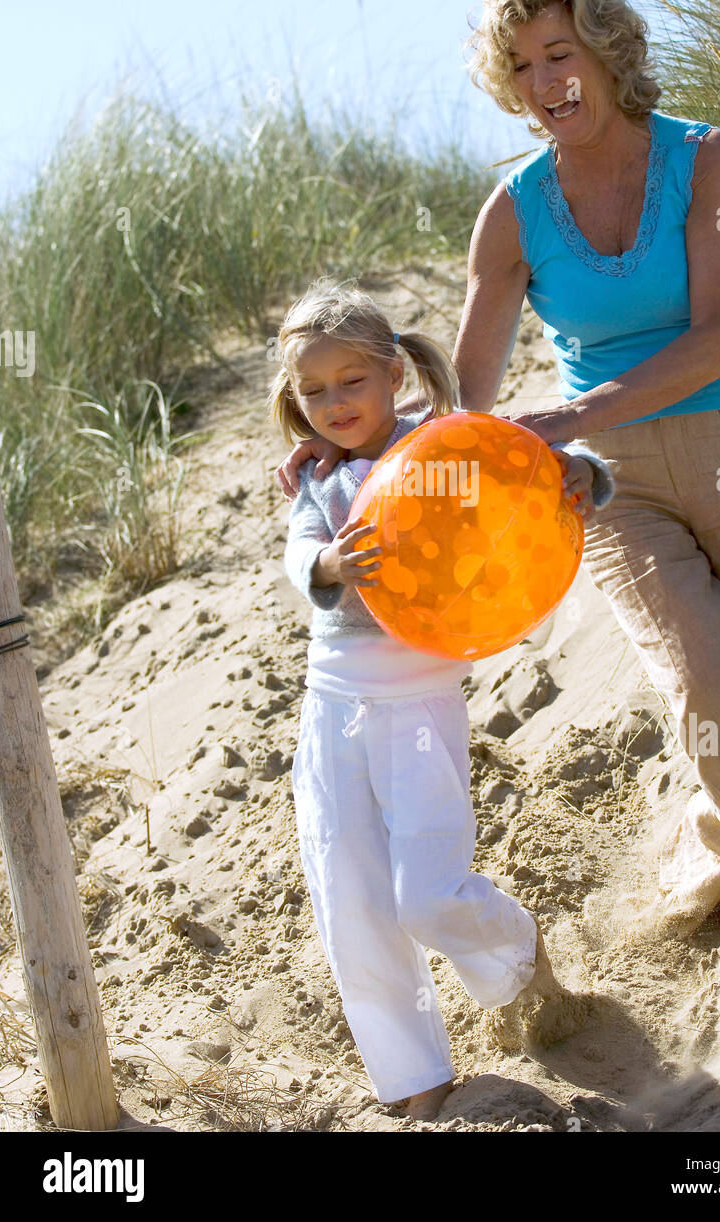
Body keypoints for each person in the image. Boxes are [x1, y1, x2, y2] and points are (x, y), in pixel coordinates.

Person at [278, 0, 720, 948]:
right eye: (521, 67)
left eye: (558, 54)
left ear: (604, 48)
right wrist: (353, 456)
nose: (544, 84)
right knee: (717, 693)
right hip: (609, 487)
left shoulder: (706, 160)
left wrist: (566, 418)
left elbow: (716, 335)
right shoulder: (511, 215)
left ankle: (703, 845)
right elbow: (465, 399)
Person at [267, 278, 615, 1120]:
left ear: (394, 374)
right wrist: (325, 567)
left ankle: (514, 948)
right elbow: (298, 558)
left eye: (352, 380)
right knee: (348, 901)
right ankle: (415, 1080)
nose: (333, 403)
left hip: (420, 705)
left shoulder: (445, 444)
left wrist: (579, 474)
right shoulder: (319, 480)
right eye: (312, 390)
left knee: (423, 893)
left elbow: (536, 474)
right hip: (331, 705)